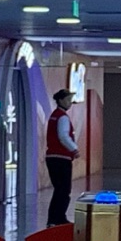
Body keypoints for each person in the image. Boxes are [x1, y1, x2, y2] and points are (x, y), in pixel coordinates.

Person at [44, 87, 77, 226]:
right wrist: (74, 149)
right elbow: (63, 136)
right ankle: (58, 219)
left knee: (59, 190)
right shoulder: (62, 117)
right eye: (68, 100)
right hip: (61, 158)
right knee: (63, 190)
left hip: (52, 158)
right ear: (60, 100)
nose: (70, 103)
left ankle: (54, 219)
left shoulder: (54, 116)